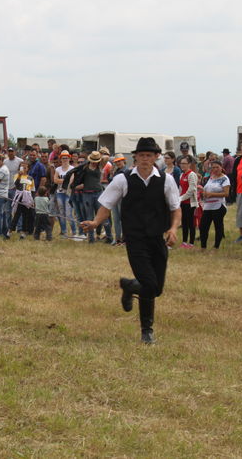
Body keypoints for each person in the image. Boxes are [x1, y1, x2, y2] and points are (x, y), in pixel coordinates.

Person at [81, 137, 181, 344]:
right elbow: (106, 205)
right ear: (135, 157)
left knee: (157, 289)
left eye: (149, 155)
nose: (145, 159)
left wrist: (173, 229)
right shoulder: (122, 179)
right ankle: (147, 331)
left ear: (156, 157)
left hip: (157, 239)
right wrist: (95, 222)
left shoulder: (166, 180)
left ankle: (128, 286)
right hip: (135, 240)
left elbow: (175, 208)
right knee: (149, 284)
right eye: (141, 155)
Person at [199, 161, 230, 251]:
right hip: (208, 205)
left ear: (221, 167)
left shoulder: (225, 179)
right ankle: (203, 247)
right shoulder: (211, 178)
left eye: (217, 167)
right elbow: (206, 190)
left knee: (218, 226)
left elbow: (226, 193)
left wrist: (212, 194)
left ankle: (216, 247)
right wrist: (203, 193)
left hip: (218, 205)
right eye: (213, 168)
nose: (215, 169)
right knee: (203, 226)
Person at [77, 151, 104, 244]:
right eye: (93, 160)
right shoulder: (84, 167)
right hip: (87, 194)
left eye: (96, 160)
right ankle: (91, 239)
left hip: (98, 192)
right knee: (89, 216)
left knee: (100, 215)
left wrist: (100, 155)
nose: (94, 162)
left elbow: (107, 158)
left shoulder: (100, 166)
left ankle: (104, 235)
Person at [10, 160, 35, 239]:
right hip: (19, 197)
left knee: (25, 215)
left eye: (25, 167)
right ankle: (10, 231)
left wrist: (32, 200)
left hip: (27, 198)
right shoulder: (16, 176)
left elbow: (32, 190)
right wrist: (20, 176)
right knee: (16, 215)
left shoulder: (30, 178)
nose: (23, 169)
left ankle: (23, 232)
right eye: (22, 167)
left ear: (28, 169)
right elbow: (17, 185)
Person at [53, 150, 76, 236]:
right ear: (61, 159)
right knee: (61, 213)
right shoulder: (58, 169)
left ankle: (74, 232)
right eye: (63, 158)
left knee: (69, 213)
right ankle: (64, 231)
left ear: (69, 158)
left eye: (66, 158)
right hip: (59, 192)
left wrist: (61, 181)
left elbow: (71, 181)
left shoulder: (72, 169)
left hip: (69, 193)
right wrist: (64, 180)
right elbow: (55, 180)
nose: (65, 159)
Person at [178, 155, 199, 248]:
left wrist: (181, 198)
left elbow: (192, 190)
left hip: (190, 203)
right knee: (184, 223)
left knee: (191, 223)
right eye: (181, 163)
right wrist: (179, 198)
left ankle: (191, 243)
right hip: (183, 203)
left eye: (184, 163)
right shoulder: (182, 175)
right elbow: (180, 188)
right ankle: (184, 241)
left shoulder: (192, 174)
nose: (182, 165)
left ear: (189, 164)